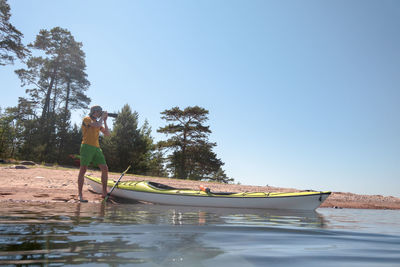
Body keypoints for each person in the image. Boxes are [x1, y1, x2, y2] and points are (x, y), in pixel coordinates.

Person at [77, 105, 110, 202]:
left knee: (105, 168)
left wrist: (105, 121)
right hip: (86, 146)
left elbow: (107, 134)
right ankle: (80, 194)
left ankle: (104, 192)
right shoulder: (87, 119)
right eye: (99, 112)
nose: (100, 113)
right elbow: (95, 125)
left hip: (96, 148)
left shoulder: (98, 122)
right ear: (93, 112)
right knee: (83, 169)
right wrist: (102, 119)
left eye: (101, 112)